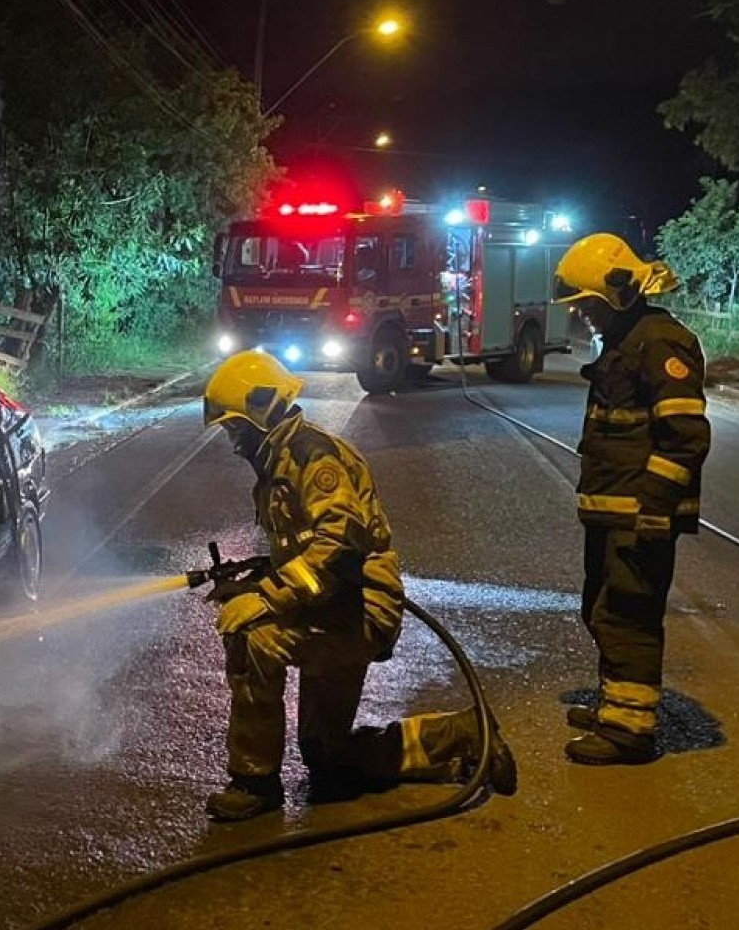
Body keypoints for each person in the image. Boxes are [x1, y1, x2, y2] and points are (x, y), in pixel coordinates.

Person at [199, 351, 516, 821]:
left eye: (235, 428)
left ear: (260, 412)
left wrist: (266, 597)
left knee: (253, 638)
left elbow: (339, 548)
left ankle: (254, 780)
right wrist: (257, 576)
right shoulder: (281, 464)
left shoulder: (314, 460)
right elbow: (305, 552)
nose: (234, 441)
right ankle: (462, 737)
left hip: (358, 611)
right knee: (329, 762)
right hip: (329, 607)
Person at [551, 233, 712, 766]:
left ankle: (629, 730)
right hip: (612, 508)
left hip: (639, 513)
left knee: (629, 613)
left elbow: (685, 436)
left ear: (616, 293)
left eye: (588, 305)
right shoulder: (626, 340)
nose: (584, 317)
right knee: (601, 606)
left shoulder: (660, 342)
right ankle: (615, 703)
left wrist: (654, 508)